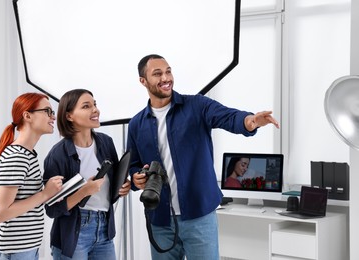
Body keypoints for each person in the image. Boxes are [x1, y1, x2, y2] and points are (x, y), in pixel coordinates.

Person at [127, 54, 280, 260]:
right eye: (157, 74)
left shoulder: (196, 106)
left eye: (168, 71)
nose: (166, 78)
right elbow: (134, 164)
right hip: (160, 221)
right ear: (143, 81)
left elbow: (228, 116)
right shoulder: (137, 123)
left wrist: (250, 121)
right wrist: (136, 177)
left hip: (199, 217)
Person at [43, 89, 131, 260]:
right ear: (69, 116)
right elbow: (51, 209)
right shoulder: (57, 155)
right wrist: (84, 191)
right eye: (86, 106)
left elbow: (112, 186)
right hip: (73, 234)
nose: (95, 110)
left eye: (95, 104)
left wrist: (122, 186)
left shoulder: (106, 142)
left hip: (104, 229)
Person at [0, 92, 64, 260]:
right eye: (47, 111)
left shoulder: (27, 153)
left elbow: (23, 202)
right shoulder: (17, 156)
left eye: (53, 112)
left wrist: (49, 195)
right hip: (12, 253)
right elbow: (1, 213)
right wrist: (45, 194)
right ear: (27, 115)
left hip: (22, 250)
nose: (53, 117)